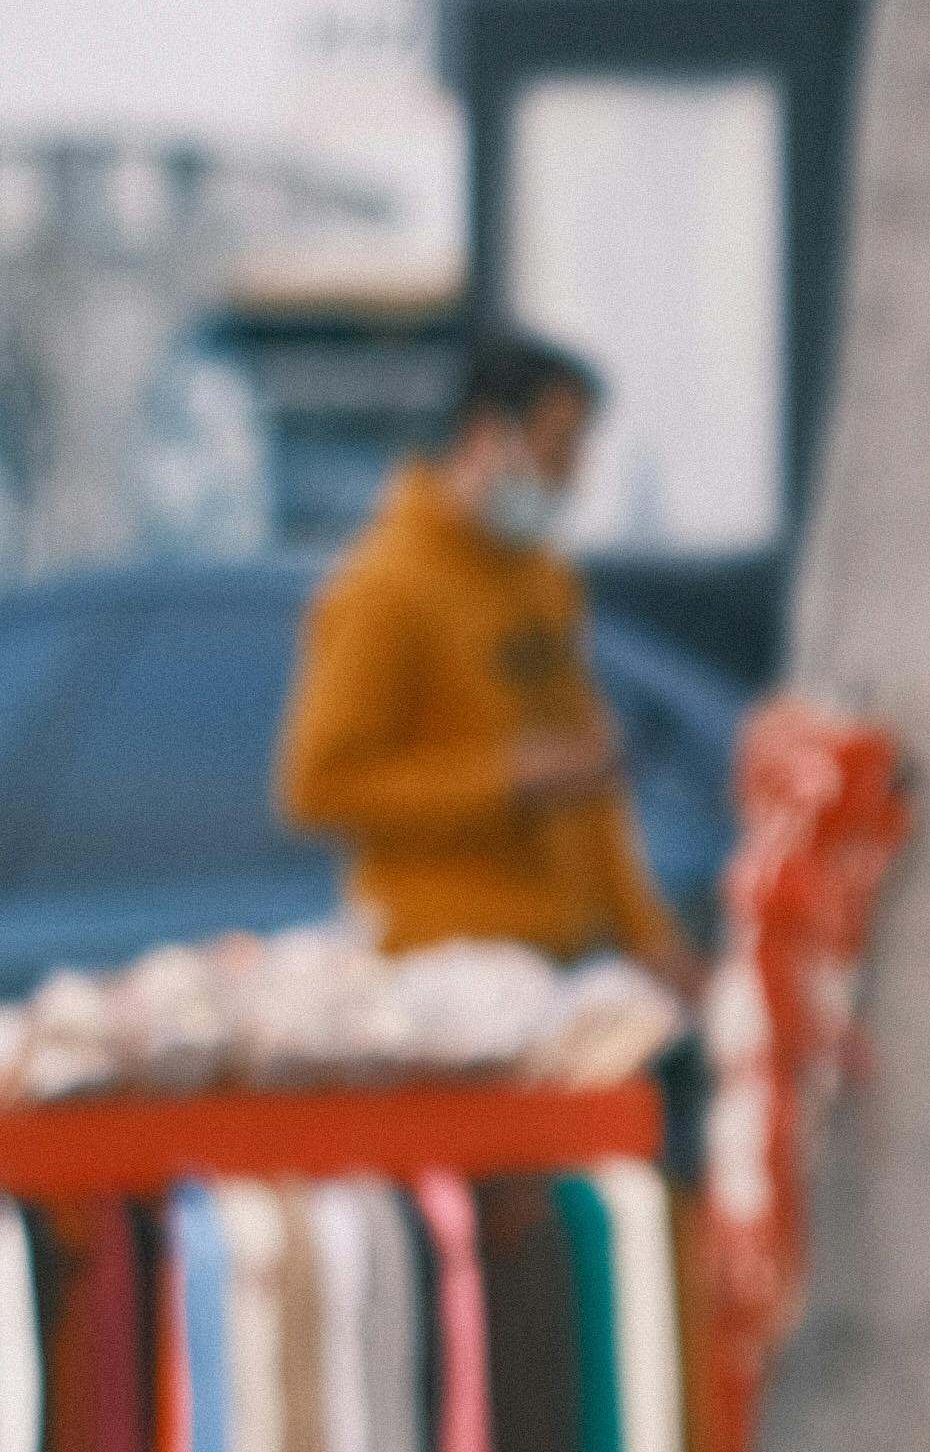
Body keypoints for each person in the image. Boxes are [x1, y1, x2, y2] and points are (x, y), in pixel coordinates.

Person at [275, 330, 694, 983]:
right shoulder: (383, 587)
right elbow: (319, 787)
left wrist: (650, 937)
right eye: (557, 451)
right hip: (442, 970)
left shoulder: (543, 579)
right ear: (485, 435)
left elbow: (589, 782)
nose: (571, 479)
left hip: (563, 954)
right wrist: (507, 779)